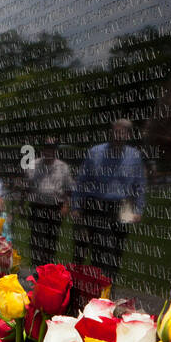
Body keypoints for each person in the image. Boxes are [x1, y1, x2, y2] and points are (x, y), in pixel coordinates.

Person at [71, 118, 145, 282]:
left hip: (123, 205)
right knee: (100, 249)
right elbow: (82, 180)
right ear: (111, 133)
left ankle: (109, 287)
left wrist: (138, 209)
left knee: (117, 250)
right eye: (116, 131)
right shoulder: (95, 152)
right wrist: (76, 206)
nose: (119, 135)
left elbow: (139, 184)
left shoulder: (134, 156)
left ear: (128, 135)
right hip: (98, 204)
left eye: (123, 132)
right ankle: (96, 285)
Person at [26, 138, 73, 266]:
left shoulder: (63, 167)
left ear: (55, 150)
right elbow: (27, 187)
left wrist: (66, 205)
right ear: (43, 149)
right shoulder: (33, 165)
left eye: (51, 149)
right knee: (36, 239)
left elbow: (69, 189)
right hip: (37, 206)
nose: (48, 151)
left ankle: (48, 269)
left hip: (55, 208)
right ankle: (36, 268)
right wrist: (20, 205)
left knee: (51, 240)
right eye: (46, 148)